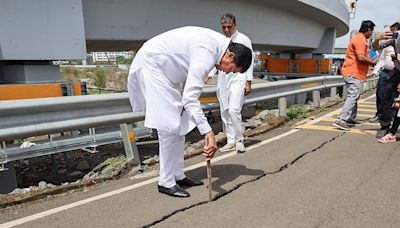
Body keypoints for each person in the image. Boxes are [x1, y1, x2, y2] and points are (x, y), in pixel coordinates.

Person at [127, 26, 252, 198]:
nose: (227, 72)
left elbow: (191, 87)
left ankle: (177, 175)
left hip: (171, 73)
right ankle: (166, 181)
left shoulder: (217, 48)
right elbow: (190, 99)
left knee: (179, 125)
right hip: (153, 66)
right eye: (231, 68)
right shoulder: (207, 54)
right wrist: (209, 133)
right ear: (230, 56)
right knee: (168, 127)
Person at [206, 13, 254, 153]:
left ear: (235, 25)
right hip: (223, 78)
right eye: (224, 27)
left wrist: (248, 82)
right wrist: (209, 75)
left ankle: (239, 140)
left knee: (234, 110)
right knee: (225, 111)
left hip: (238, 77)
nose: (227, 30)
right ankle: (230, 140)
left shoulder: (243, 39)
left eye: (229, 27)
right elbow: (216, 60)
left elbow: (249, 61)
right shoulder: (221, 41)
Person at [333, 20, 377, 131]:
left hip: (352, 72)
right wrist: (372, 62)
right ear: (369, 29)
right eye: (371, 31)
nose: (371, 34)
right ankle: (341, 119)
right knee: (353, 96)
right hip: (352, 72)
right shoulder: (360, 39)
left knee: (354, 95)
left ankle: (350, 119)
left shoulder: (359, 38)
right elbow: (361, 57)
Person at [372, 22, 400, 138]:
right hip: (396, 71)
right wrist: (377, 39)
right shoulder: (396, 36)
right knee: (387, 98)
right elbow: (375, 47)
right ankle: (385, 127)